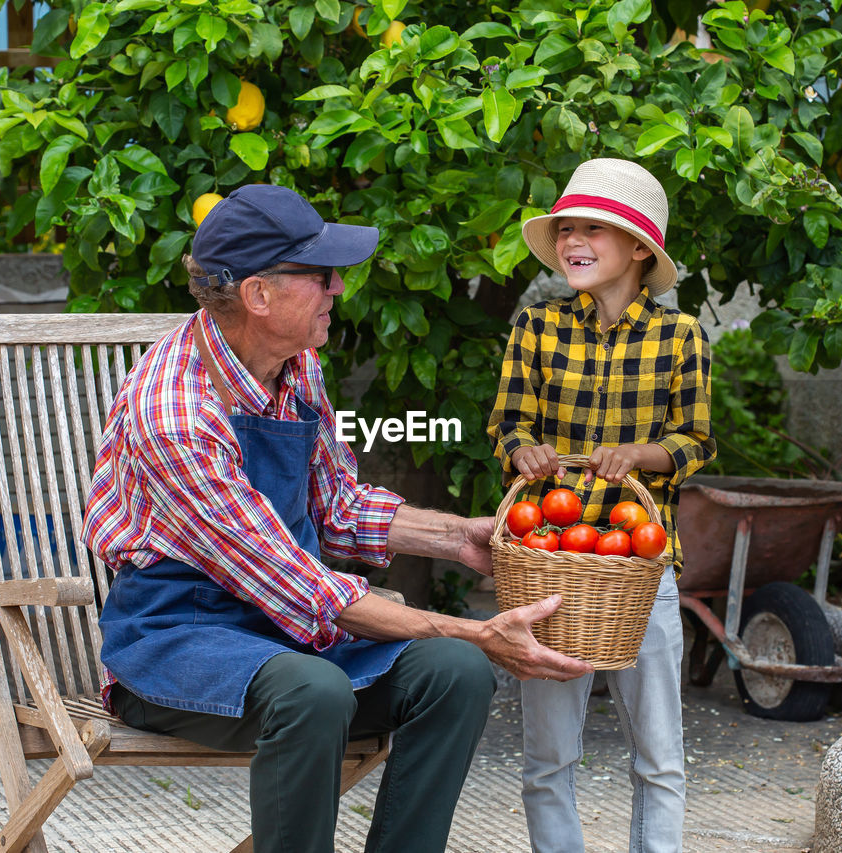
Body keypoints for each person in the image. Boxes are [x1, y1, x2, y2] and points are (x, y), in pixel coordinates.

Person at [82, 184, 592, 853]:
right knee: (317, 691)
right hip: (175, 639)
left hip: (281, 634)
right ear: (259, 295)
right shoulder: (174, 413)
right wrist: (473, 628)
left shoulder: (296, 367)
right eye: (322, 275)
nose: (339, 289)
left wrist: (454, 536)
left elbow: (338, 507)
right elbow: (306, 588)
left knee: (456, 674)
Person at [486, 158, 716, 853]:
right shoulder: (537, 325)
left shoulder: (679, 336)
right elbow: (508, 425)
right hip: (551, 562)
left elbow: (697, 440)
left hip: (642, 567)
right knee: (547, 757)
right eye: (566, 230)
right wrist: (523, 451)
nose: (572, 241)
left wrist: (640, 455)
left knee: (659, 754)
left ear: (641, 248)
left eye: (593, 229)